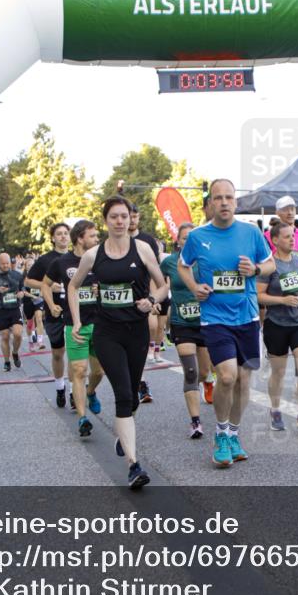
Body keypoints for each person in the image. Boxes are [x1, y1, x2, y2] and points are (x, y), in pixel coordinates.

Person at [69, 196, 168, 489]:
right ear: (106, 220)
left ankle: (122, 436)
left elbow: (163, 286)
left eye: (124, 216)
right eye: (114, 216)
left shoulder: (143, 249)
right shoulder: (93, 255)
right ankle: (133, 466)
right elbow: (73, 287)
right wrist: (76, 321)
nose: (120, 221)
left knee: (132, 396)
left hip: (136, 332)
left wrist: (151, 300)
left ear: (130, 218)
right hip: (107, 333)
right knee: (124, 394)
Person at [179, 178, 274, 469]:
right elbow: (183, 265)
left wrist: (256, 269)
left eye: (229, 197)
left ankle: (233, 433)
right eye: (218, 198)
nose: (224, 202)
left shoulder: (250, 232)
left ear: (235, 201)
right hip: (214, 317)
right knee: (228, 376)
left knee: (244, 380)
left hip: (246, 315)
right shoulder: (197, 236)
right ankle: (221, 434)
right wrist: (195, 286)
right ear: (210, 204)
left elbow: (270, 264)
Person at [44, 219, 106, 437]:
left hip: (99, 324)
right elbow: (44, 283)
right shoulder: (61, 262)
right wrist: (51, 305)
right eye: (92, 236)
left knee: (98, 371)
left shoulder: (101, 260)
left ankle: (91, 392)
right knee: (79, 370)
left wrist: (102, 290)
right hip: (74, 325)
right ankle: (82, 418)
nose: (97, 239)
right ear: (80, 238)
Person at [258, 221, 298, 434]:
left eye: (293, 236)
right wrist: (282, 301)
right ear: (275, 240)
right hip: (277, 324)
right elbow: (259, 295)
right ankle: (275, 409)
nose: (292, 239)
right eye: (286, 237)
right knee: (279, 372)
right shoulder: (270, 265)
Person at [161, 222, 216, 438]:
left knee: (204, 371)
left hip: (205, 321)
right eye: (185, 238)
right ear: (178, 241)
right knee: (191, 372)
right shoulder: (170, 263)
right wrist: (153, 298)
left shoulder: (206, 260)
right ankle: (195, 422)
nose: (188, 241)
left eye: (192, 237)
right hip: (181, 321)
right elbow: (155, 280)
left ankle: (209, 381)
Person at [24, 223, 72, 407]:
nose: (63, 237)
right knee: (58, 353)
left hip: (75, 310)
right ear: (52, 238)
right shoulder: (46, 259)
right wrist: (50, 286)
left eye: (65, 233)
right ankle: (60, 387)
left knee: (76, 353)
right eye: (59, 234)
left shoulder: (76, 257)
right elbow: (28, 281)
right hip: (54, 310)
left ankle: (76, 390)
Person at [129, 204, 162, 399]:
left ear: (138, 217)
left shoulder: (147, 240)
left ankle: (141, 383)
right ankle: (132, 382)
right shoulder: (115, 241)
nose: (131, 220)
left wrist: (154, 297)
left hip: (144, 297)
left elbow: (154, 272)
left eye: (134, 216)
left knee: (145, 335)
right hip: (123, 301)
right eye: (128, 216)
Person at [0, 253, 26, 371]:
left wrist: (22, 293)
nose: (6, 265)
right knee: (5, 337)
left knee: (18, 334)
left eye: (7, 263)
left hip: (15, 309)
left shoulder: (17, 275)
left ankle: (15, 352)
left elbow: (23, 288)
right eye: (3, 263)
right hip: (2, 310)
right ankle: (7, 362)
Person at [264, 196, 298, 270]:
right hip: (277, 278)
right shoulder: (267, 236)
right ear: (277, 213)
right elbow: (263, 260)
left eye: (292, 209)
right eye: (285, 210)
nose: (290, 213)